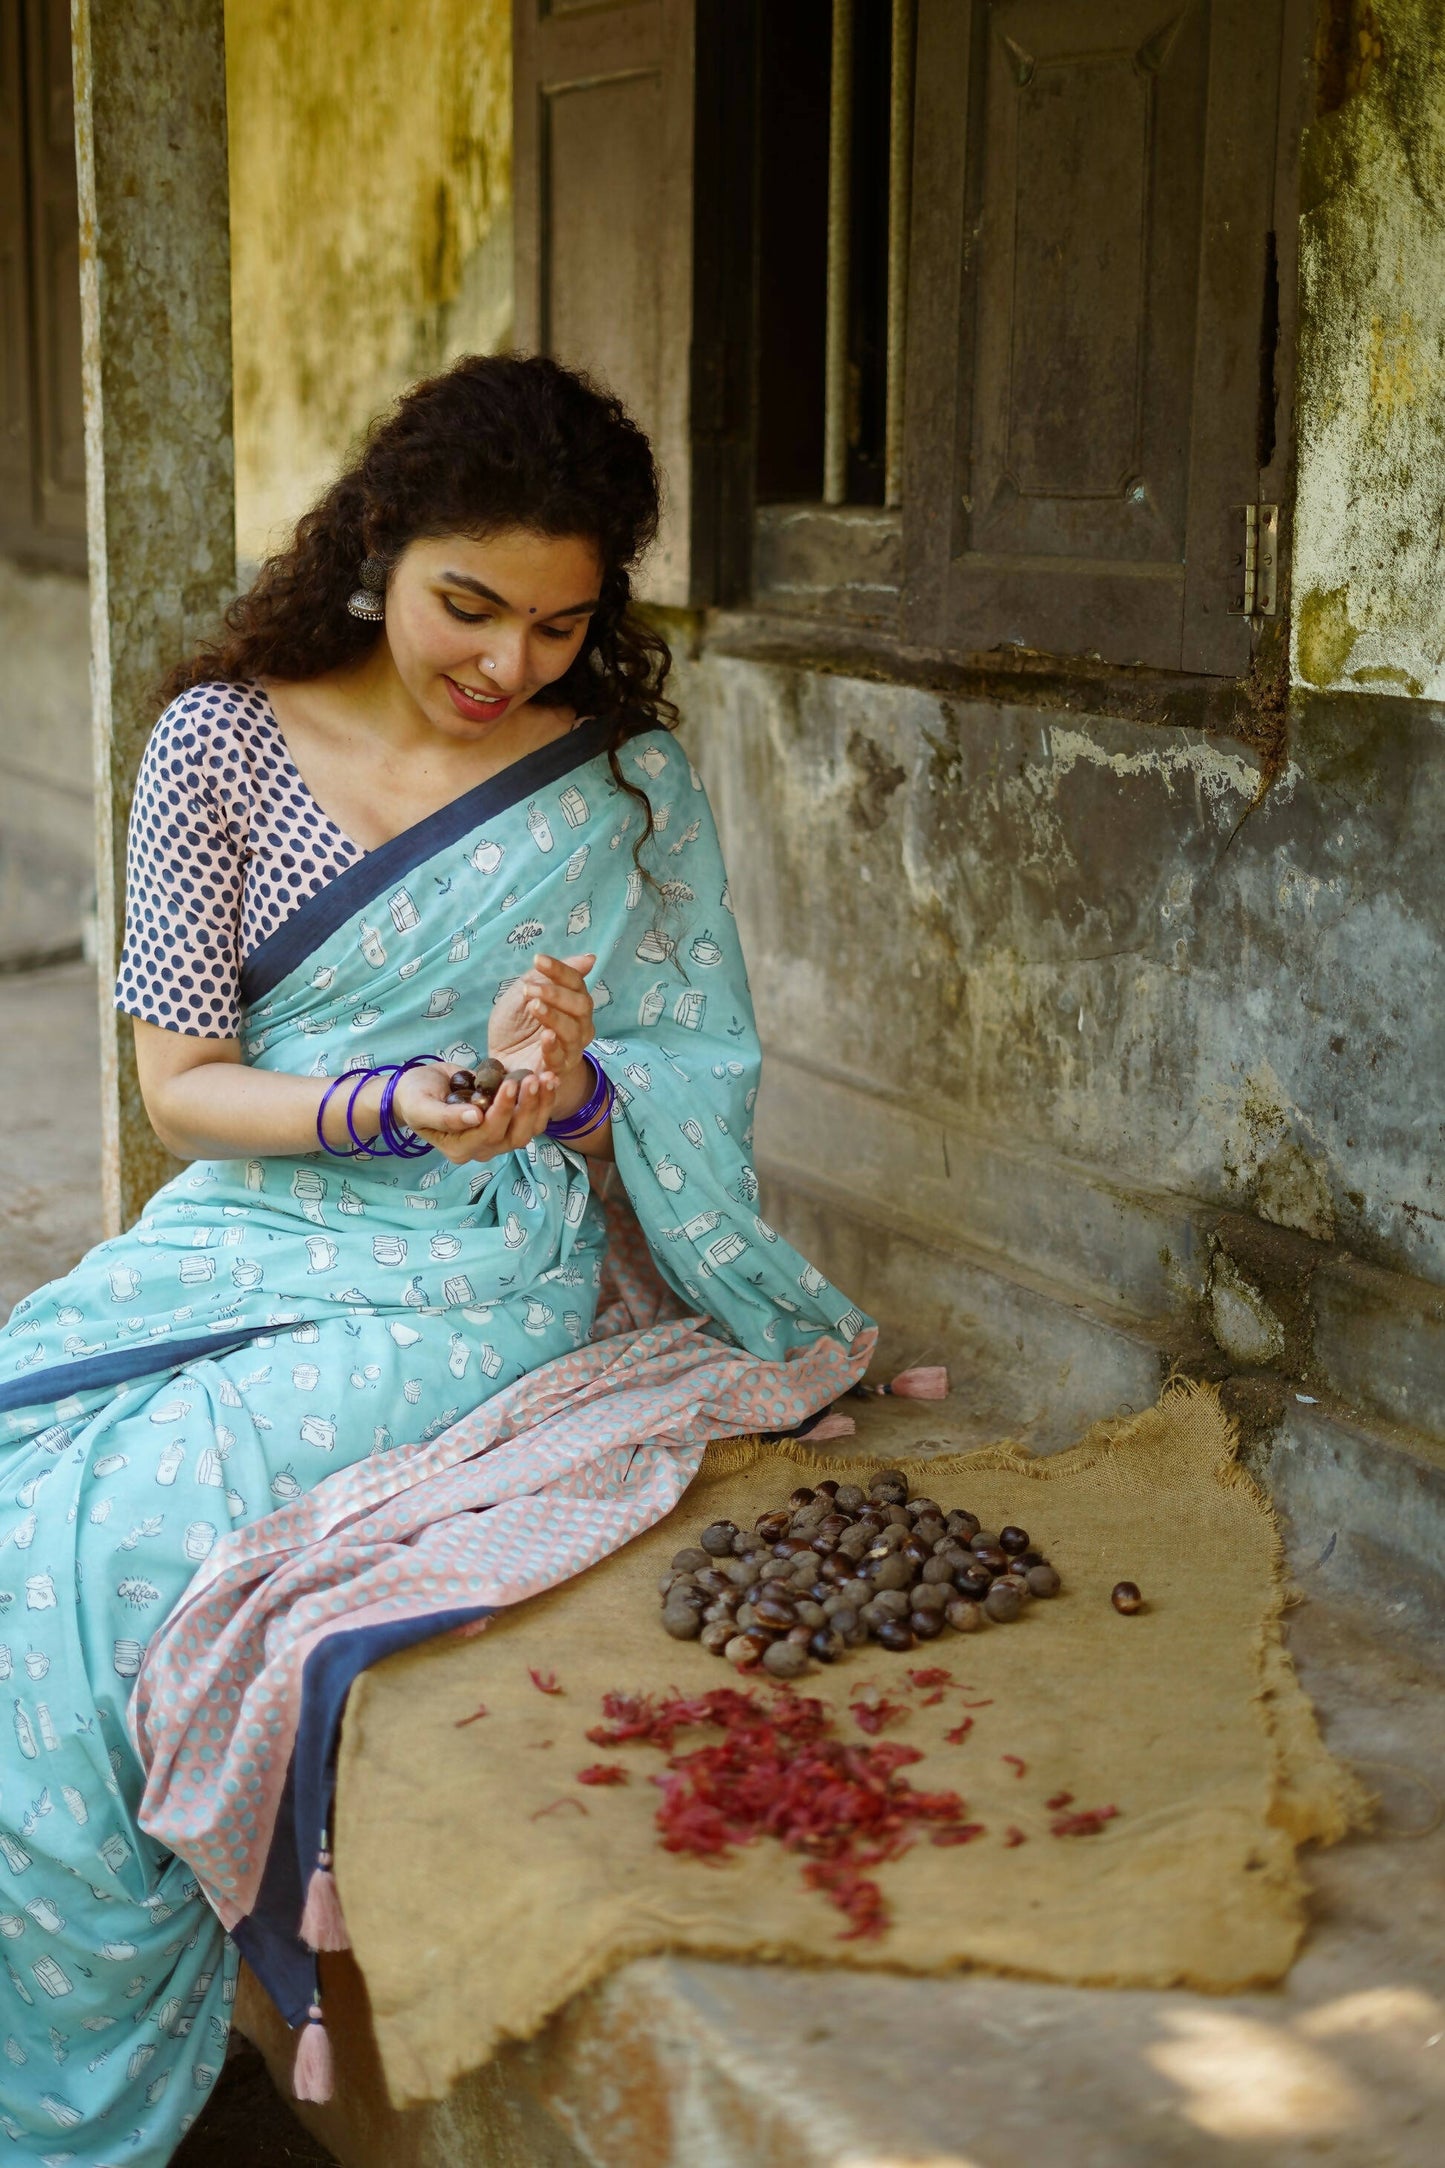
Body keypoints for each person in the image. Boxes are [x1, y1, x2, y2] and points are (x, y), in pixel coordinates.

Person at [0, 354, 870, 2163]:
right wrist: (386, 1099)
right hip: (259, 1218)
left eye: (559, 626)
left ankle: (105, 2103)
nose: (505, 666)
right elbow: (183, 1094)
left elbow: (687, 1065)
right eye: (468, 607)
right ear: (376, 540)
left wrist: (562, 1092)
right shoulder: (219, 745)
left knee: (103, 1555)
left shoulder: (614, 779)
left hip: (478, 1261)